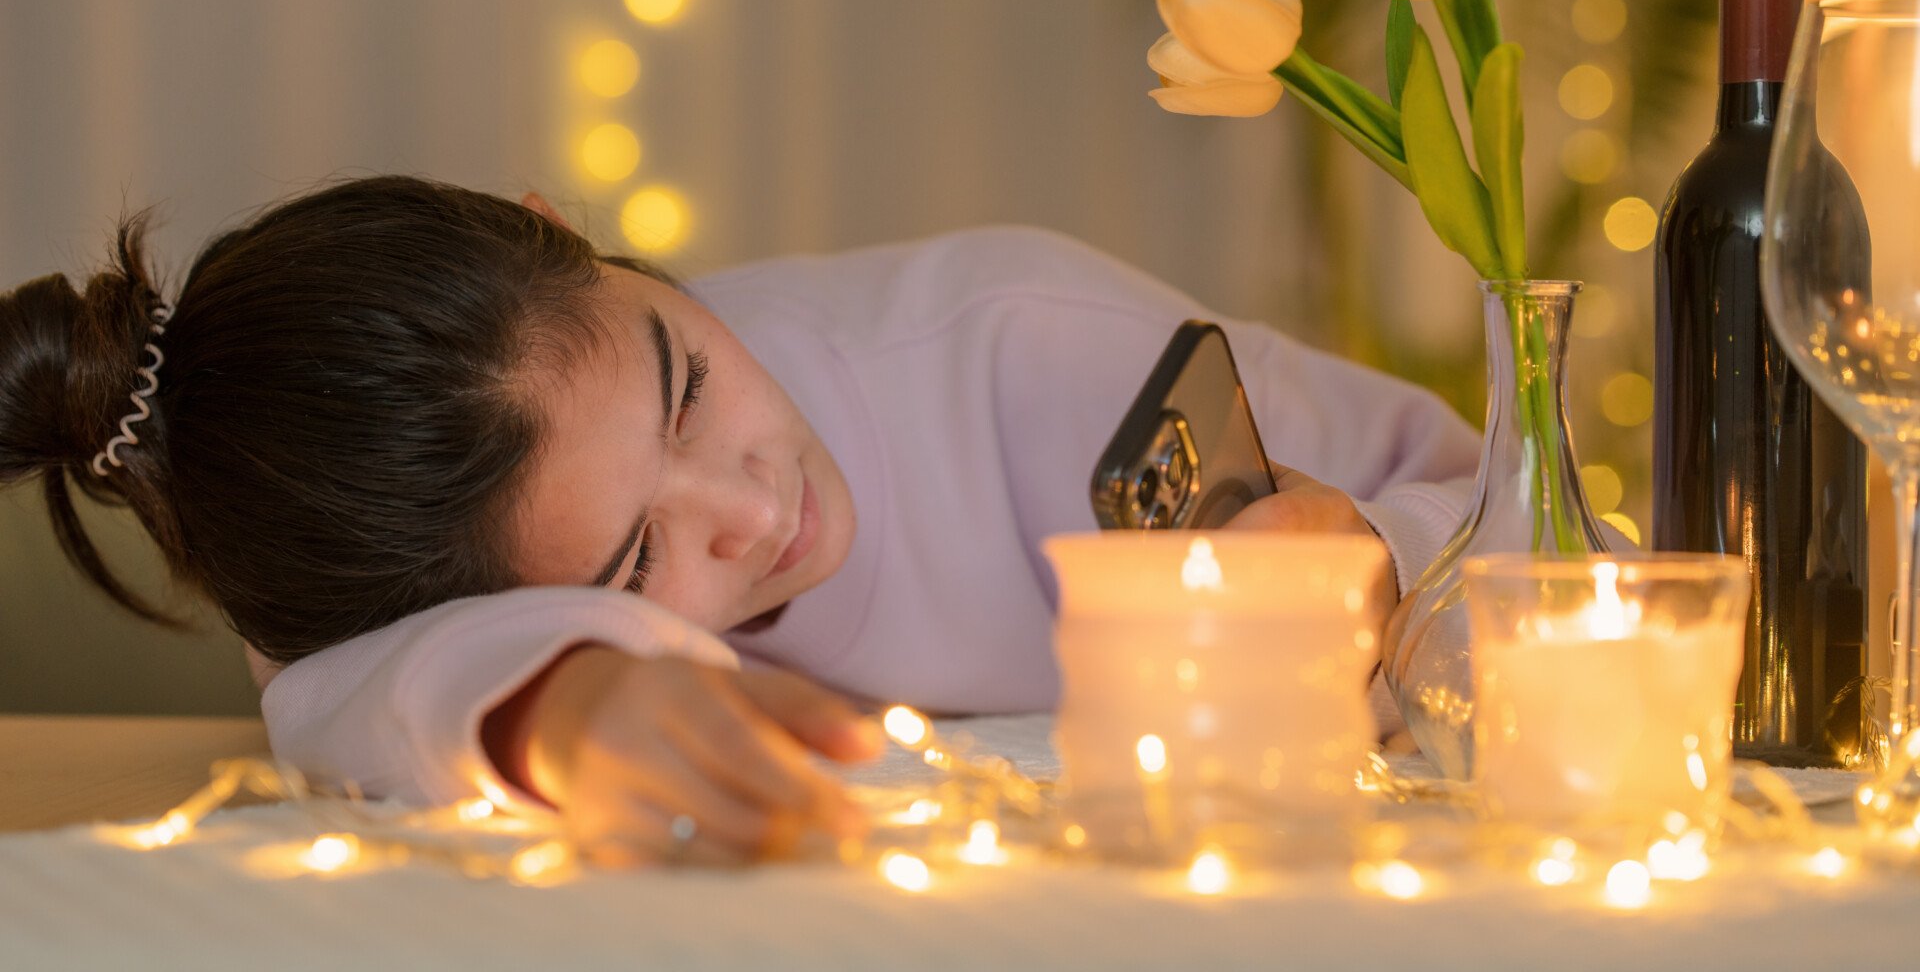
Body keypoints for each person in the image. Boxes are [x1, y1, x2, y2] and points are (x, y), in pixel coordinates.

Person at [0, 176, 1478, 866]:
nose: (754, 506)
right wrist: (564, 703)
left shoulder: (1024, 341)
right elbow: (320, 692)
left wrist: (1378, 561)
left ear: (568, 229)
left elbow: (1556, 525)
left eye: (688, 385)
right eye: (636, 560)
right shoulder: (382, 590)